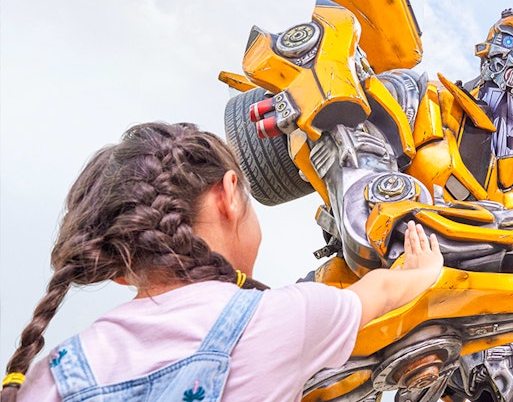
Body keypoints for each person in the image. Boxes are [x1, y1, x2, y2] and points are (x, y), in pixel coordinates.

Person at [3, 122, 444, 401]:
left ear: (118, 273)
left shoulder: (53, 371)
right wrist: (424, 269)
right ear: (228, 194)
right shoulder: (282, 320)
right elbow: (382, 291)